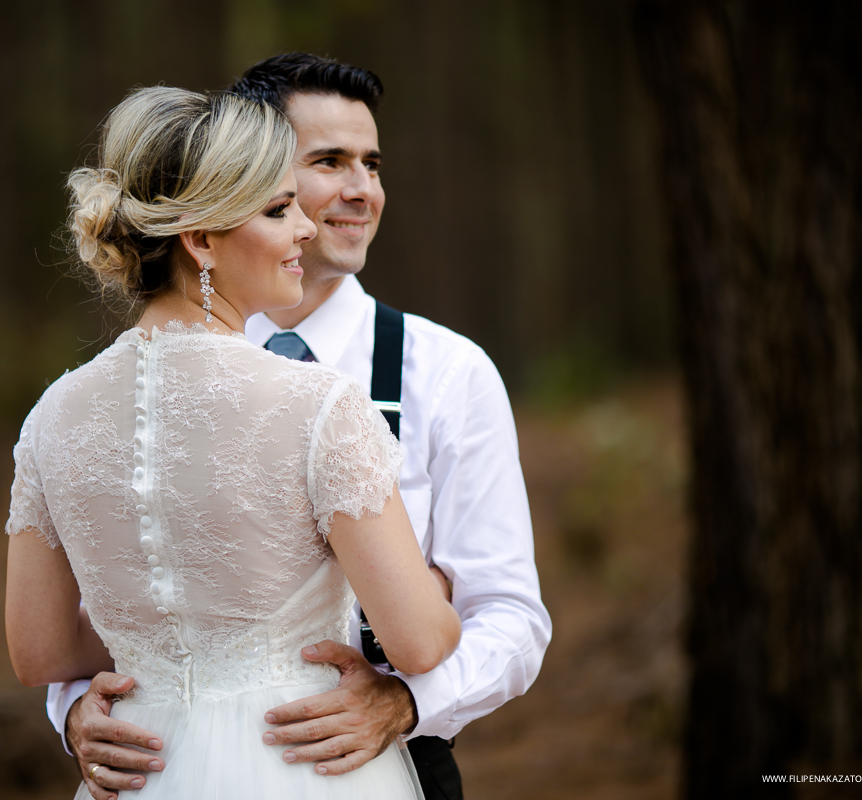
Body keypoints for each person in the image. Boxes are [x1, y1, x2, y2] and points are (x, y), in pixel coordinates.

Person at [56, 55, 551, 800]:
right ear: (235, 181)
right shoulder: (131, 394)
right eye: (328, 163)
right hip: (164, 764)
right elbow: (94, 617)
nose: (362, 192)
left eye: (373, 164)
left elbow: (511, 612)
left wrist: (412, 703)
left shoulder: (448, 372)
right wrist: (71, 714)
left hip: (383, 762)